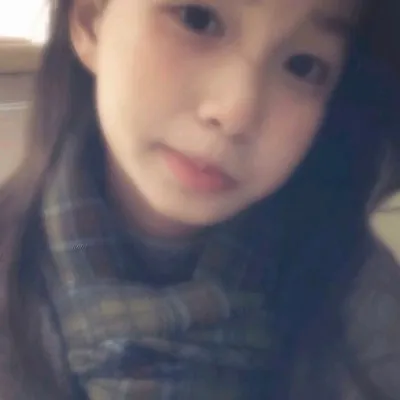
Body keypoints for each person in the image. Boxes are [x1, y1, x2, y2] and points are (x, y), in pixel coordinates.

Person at [0, 0, 399, 399]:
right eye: (198, 20)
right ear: (91, 19)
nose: (237, 111)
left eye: (303, 65)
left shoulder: (366, 305)